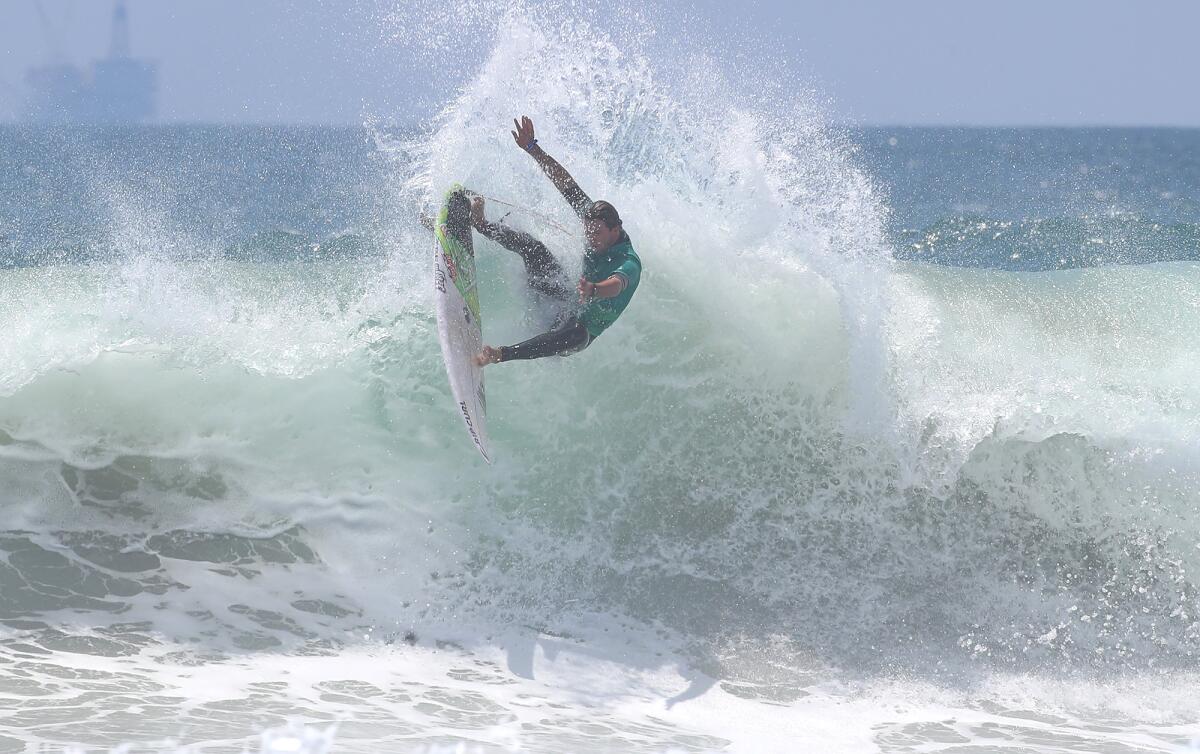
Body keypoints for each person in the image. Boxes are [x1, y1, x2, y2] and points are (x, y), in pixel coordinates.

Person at [472, 116, 641, 367]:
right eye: (588, 232)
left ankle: (499, 354)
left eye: (596, 234)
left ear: (615, 230)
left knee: (575, 333)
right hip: (567, 298)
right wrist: (532, 148)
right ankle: (481, 225)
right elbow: (565, 184)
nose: (590, 239)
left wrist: (594, 289)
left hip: (581, 330)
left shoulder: (629, 261)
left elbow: (617, 285)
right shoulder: (596, 219)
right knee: (535, 248)